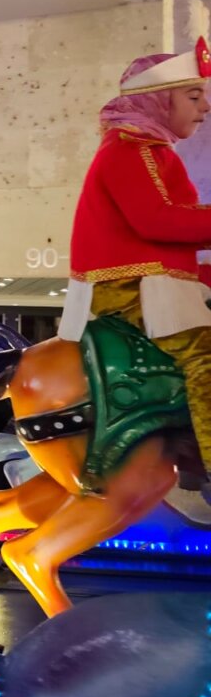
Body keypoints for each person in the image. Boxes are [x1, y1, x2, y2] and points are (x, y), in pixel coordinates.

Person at [59, 39, 211, 498]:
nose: (206, 106)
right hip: (132, 287)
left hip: (150, 280)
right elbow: (157, 220)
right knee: (204, 359)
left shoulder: (150, 150)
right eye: (193, 96)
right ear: (158, 99)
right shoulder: (131, 149)